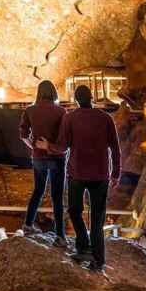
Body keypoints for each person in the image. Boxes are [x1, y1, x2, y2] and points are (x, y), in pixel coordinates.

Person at [58, 84, 121, 272]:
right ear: (92, 97)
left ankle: (84, 247)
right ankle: (98, 260)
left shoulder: (70, 119)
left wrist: (46, 146)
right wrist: (116, 173)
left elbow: (62, 146)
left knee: (74, 211)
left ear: (76, 100)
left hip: (77, 172)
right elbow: (115, 148)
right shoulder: (105, 118)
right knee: (97, 218)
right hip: (101, 174)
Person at [18, 80, 68, 247]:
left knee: (38, 191)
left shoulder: (30, 110)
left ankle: (27, 225)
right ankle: (60, 235)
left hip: (38, 157)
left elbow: (23, 134)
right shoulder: (61, 111)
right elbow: (64, 139)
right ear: (54, 92)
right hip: (56, 157)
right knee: (57, 196)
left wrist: (33, 146)